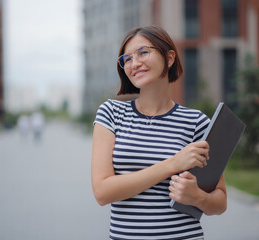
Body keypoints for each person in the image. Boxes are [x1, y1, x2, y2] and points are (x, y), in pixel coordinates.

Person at [91, 26, 227, 240]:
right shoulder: (111, 113)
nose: (134, 63)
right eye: (126, 59)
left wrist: (198, 197)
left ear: (169, 57)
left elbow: (220, 202)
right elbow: (102, 191)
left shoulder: (197, 122)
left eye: (143, 52)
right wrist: (173, 164)